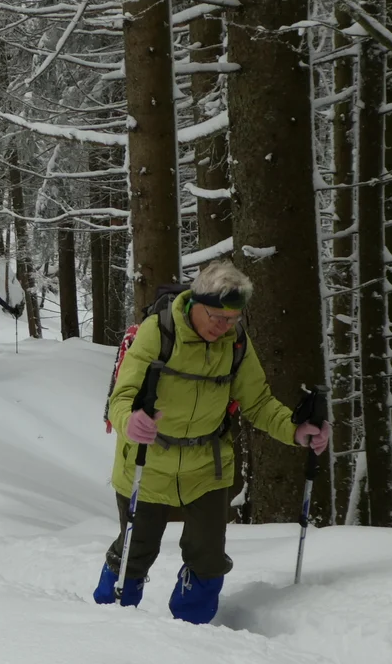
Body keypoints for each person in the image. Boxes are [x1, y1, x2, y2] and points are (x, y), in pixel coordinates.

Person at [92, 260, 332, 625]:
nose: (224, 326)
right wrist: (130, 421)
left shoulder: (235, 343)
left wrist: (295, 431)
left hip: (208, 465)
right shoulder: (158, 333)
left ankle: (194, 634)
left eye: (233, 319)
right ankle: (104, 624)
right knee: (134, 552)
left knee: (207, 558)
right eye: (217, 316)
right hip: (147, 460)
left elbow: (258, 402)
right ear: (195, 303)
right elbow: (122, 397)